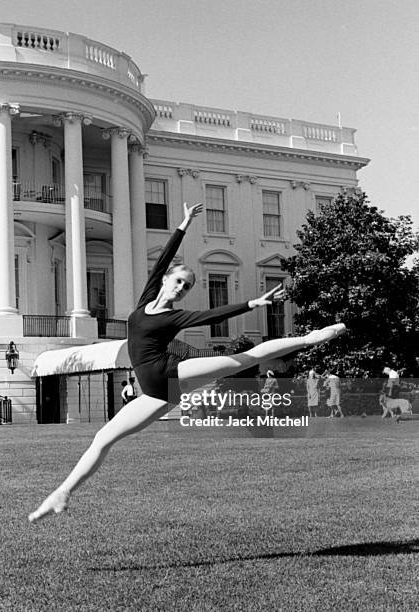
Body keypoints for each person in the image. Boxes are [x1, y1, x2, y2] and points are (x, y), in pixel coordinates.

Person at [28, 202, 346, 522]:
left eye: (187, 286)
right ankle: (62, 493)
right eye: (179, 281)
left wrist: (252, 303)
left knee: (240, 359)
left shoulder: (175, 316)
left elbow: (211, 315)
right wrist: (183, 225)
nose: (182, 288)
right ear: (166, 280)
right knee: (102, 439)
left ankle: (308, 339)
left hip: (170, 374)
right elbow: (163, 258)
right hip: (152, 395)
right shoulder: (147, 298)